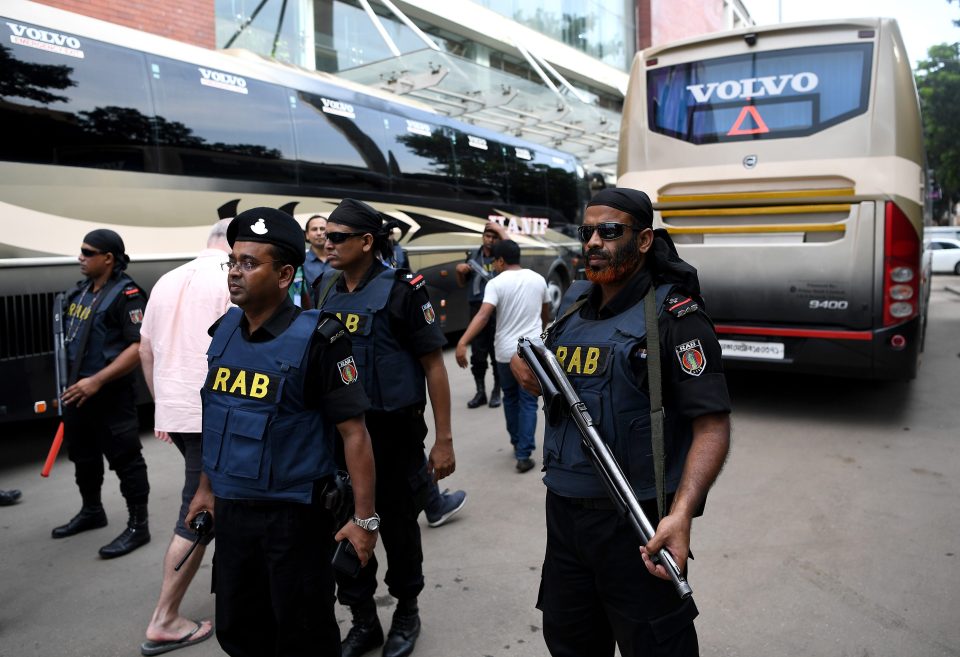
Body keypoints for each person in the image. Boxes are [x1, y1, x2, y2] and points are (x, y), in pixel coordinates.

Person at [510, 188, 731, 657]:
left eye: (609, 231)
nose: (593, 241)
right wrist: (523, 367)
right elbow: (544, 363)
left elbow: (711, 425)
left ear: (645, 239)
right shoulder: (572, 307)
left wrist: (682, 513)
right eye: (587, 231)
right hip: (565, 516)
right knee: (570, 643)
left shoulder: (677, 317)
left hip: (640, 524)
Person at [184, 207, 378, 657]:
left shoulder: (321, 340)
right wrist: (204, 489)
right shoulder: (224, 331)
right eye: (232, 261)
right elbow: (218, 417)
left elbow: (355, 435)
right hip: (232, 512)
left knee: (303, 635)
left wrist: (365, 521)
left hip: (294, 520)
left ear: (285, 274)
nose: (235, 272)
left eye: (249, 263)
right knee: (240, 632)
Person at [313, 198, 457, 657]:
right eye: (324, 236)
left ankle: (407, 611)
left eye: (337, 237)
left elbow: (434, 366)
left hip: (393, 435)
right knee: (344, 522)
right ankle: (363, 620)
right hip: (341, 435)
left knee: (397, 527)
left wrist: (444, 439)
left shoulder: (403, 290)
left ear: (366, 242)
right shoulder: (326, 289)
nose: (326, 243)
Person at [137, 219, 233, 655]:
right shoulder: (232, 276)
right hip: (211, 412)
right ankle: (165, 618)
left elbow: (145, 349)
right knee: (198, 509)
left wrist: (164, 404)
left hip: (175, 410)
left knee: (218, 496)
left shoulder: (167, 278)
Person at [51, 229, 152, 559]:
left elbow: (138, 347)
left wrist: (97, 380)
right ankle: (92, 511)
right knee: (83, 457)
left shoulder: (128, 294)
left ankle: (139, 525)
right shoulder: (80, 292)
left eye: (87, 251)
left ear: (108, 258)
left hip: (110, 395)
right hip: (78, 394)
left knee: (126, 460)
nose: (80, 256)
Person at [455, 239, 550, 473]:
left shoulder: (496, 283)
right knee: (528, 401)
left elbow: (483, 315)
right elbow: (546, 311)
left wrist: (463, 341)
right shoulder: (538, 279)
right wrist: (539, 333)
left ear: (500, 261)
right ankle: (523, 453)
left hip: (505, 352)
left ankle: (517, 442)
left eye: (494, 261)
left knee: (510, 397)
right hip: (531, 351)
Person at [454, 222, 505, 409]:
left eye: (494, 237)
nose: (490, 240)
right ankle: (480, 392)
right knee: (478, 354)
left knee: (496, 352)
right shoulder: (473, 257)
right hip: (476, 309)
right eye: (487, 236)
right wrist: (459, 272)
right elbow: (462, 284)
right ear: (483, 237)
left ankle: (496, 391)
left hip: (496, 310)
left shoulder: (501, 257)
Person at [302, 214, 332, 296]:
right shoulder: (301, 262)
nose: (319, 233)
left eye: (322, 229)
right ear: (307, 235)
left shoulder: (341, 259)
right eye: (314, 229)